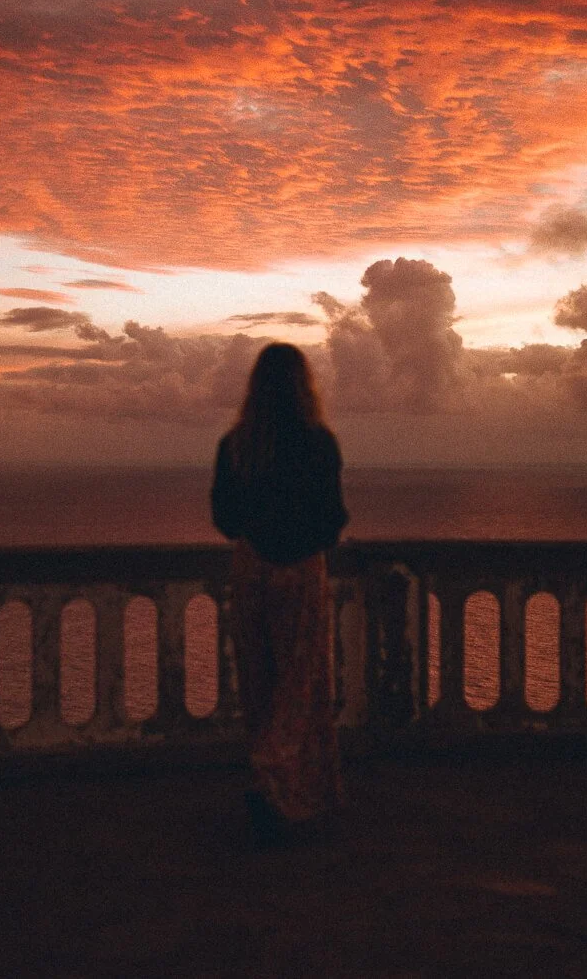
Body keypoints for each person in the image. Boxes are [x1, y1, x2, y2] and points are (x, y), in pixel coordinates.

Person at [211, 341, 349, 846]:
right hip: (301, 573)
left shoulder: (236, 445)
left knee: (261, 682)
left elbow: (224, 519)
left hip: (251, 571)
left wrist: (259, 529)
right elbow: (333, 520)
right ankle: (281, 780)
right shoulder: (319, 443)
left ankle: (273, 786)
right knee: (301, 681)